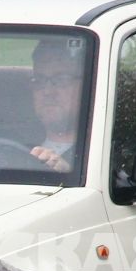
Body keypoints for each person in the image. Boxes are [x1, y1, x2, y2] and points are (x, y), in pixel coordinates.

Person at [27, 39, 87, 173]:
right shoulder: (10, 142)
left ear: (88, 86)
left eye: (62, 80)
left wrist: (68, 175)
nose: (48, 91)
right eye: (39, 81)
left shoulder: (103, 153)